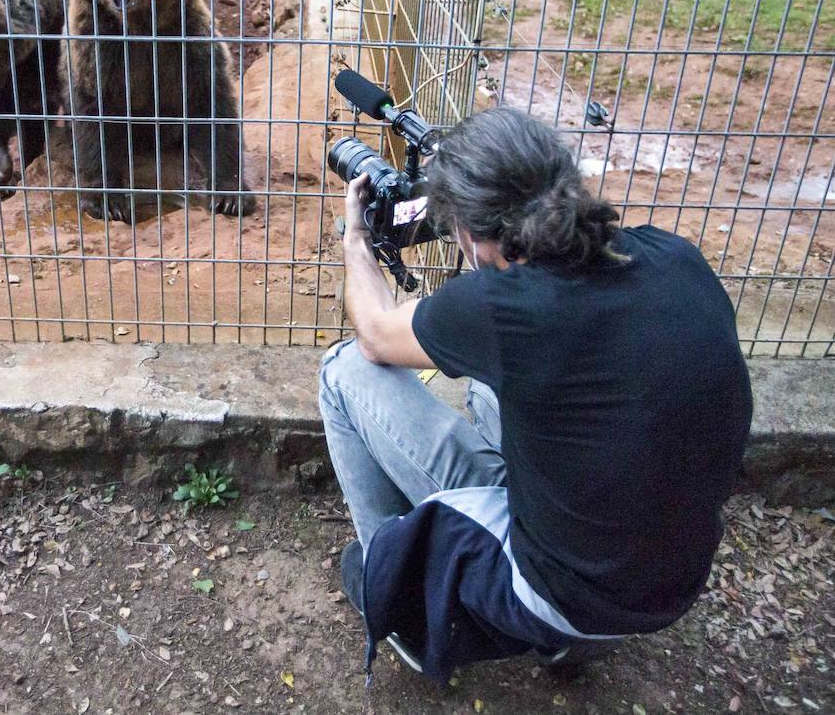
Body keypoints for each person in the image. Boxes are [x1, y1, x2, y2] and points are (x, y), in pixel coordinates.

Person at [318, 107, 752, 682]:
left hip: (569, 593)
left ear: (475, 234)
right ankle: (569, 634)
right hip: (672, 582)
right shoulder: (675, 256)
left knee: (343, 369)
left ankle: (398, 592)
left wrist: (356, 236)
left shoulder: (503, 311)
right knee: (489, 382)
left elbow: (374, 334)